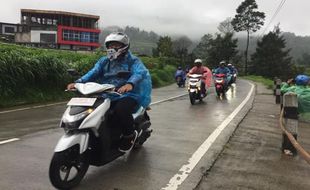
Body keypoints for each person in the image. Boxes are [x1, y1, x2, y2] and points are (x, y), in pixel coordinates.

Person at [67, 32, 152, 153]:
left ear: (124, 46)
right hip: (107, 92)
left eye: (116, 45)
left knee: (120, 110)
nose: (112, 48)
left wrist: (130, 84)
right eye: (110, 45)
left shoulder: (133, 61)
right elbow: (94, 72)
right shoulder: (104, 61)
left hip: (129, 93)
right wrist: (78, 82)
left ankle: (129, 135)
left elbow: (139, 73)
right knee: (96, 109)